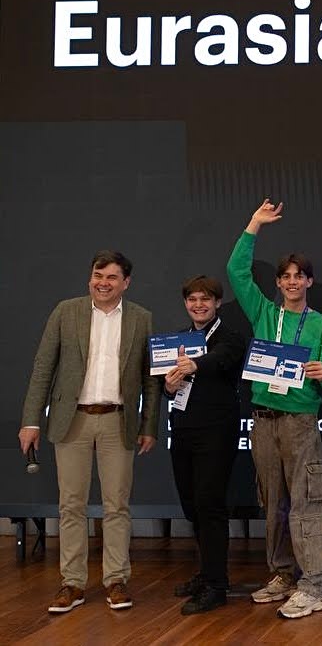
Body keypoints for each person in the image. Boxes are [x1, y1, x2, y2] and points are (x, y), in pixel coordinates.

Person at [19, 251, 159, 614]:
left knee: (117, 505)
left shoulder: (141, 318)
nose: (103, 283)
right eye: (98, 275)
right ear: (90, 278)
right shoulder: (66, 312)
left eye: (112, 277)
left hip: (117, 420)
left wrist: (149, 425)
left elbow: (150, 379)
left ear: (126, 283)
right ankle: (72, 583)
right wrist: (31, 420)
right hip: (72, 419)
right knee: (71, 504)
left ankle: (116, 580)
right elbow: (43, 367)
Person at [227, 200, 322, 619]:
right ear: (278, 283)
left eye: (300, 276)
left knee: (306, 503)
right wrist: (253, 226)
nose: (293, 282)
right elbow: (236, 272)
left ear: (309, 281)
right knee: (272, 502)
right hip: (263, 420)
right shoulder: (263, 312)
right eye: (286, 276)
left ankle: (315, 583)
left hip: (299, 422)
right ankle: (282, 574)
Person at [162, 275, 247, 615]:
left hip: (216, 433)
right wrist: (169, 386)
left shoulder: (230, 337)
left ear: (217, 303)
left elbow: (223, 358)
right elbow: (166, 386)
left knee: (210, 505)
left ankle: (217, 585)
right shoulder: (180, 340)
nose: (199, 305)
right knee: (192, 505)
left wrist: (194, 364)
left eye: (205, 299)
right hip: (183, 431)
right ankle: (206, 572)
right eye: (193, 300)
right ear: (186, 303)